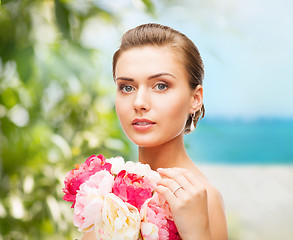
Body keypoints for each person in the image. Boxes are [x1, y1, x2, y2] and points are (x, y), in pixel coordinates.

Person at [82, 23, 228, 240]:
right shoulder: (106, 189)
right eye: (127, 87)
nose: (139, 103)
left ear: (195, 99)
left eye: (161, 86)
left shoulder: (201, 198)